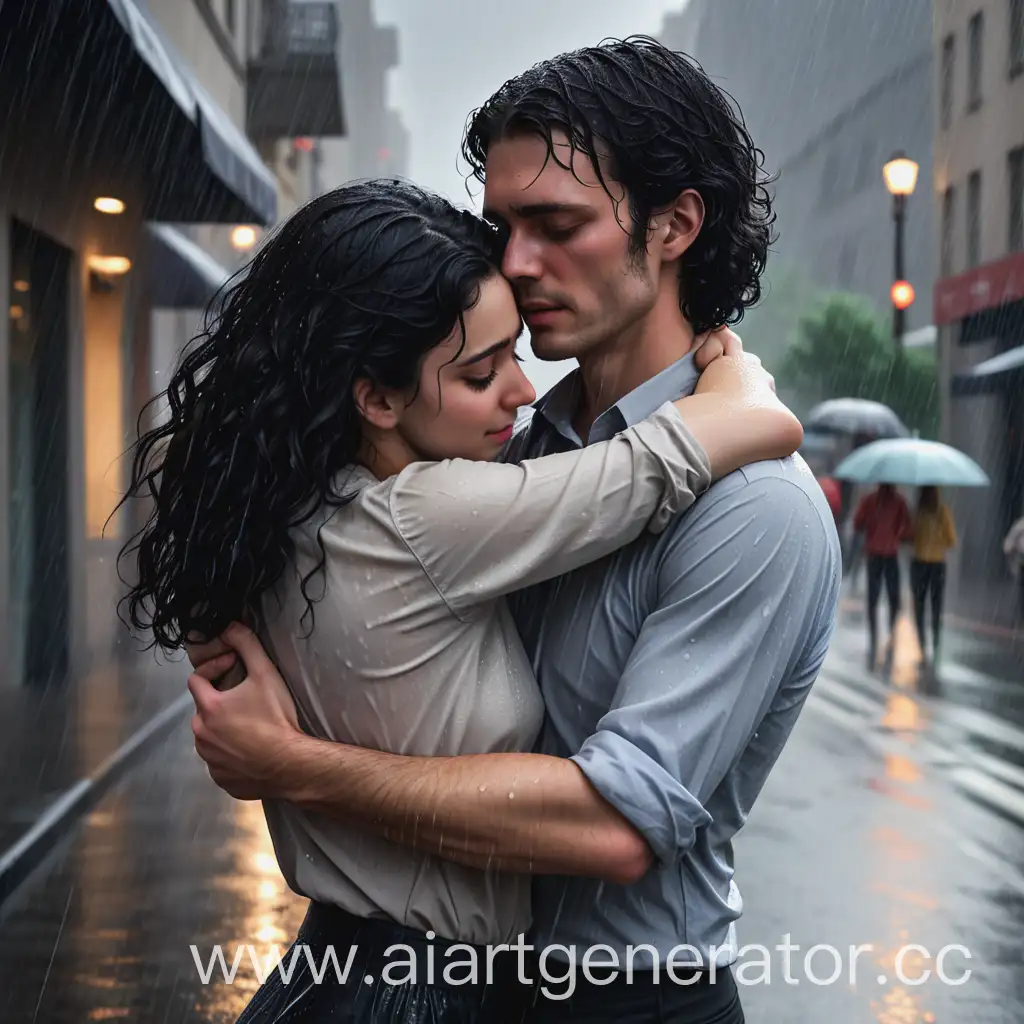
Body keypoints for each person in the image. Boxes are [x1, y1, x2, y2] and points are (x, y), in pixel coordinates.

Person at [187, 38, 841, 1024]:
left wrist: (297, 767)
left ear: (674, 225)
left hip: (625, 999)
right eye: (502, 225)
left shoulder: (755, 508)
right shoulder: (499, 452)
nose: (515, 261)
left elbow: (617, 825)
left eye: (556, 223)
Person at [853, 482, 914, 669]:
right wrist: (896, 535)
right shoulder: (899, 501)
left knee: (873, 599)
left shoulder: (870, 500)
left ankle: (874, 639)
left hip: (874, 555)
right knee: (893, 600)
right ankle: (890, 637)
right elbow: (908, 530)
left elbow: (858, 524)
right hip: (890, 555)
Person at [909, 486, 956, 663]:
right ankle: (936, 645)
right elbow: (951, 540)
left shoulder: (918, 512)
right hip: (937, 565)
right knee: (936, 608)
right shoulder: (943, 512)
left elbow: (910, 536)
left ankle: (922, 645)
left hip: (919, 564)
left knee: (919, 607)